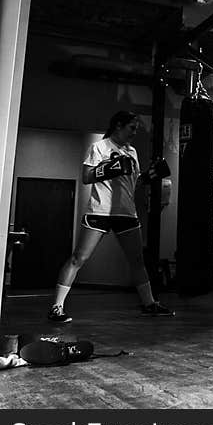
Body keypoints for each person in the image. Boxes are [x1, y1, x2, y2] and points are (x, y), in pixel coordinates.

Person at [47, 111, 174, 323]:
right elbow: (87, 177)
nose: (134, 132)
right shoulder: (99, 147)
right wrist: (109, 169)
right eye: (131, 128)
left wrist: (151, 175)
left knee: (137, 261)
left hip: (126, 212)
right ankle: (56, 308)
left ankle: (149, 304)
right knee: (79, 258)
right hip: (100, 211)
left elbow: (134, 182)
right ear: (118, 126)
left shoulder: (132, 151)